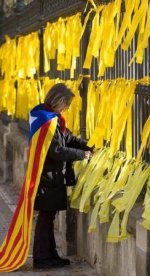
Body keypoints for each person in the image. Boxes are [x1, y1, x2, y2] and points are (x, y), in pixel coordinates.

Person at [32, 83, 93, 269]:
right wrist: (81, 155)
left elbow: (67, 138)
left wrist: (88, 146)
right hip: (47, 178)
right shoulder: (46, 121)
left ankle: (49, 255)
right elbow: (56, 151)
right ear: (58, 101)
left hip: (51, 178)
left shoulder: (50, 117)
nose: (67, 109)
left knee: (47, 218)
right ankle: (42, 258)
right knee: (45, 219)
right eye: (66, 104)